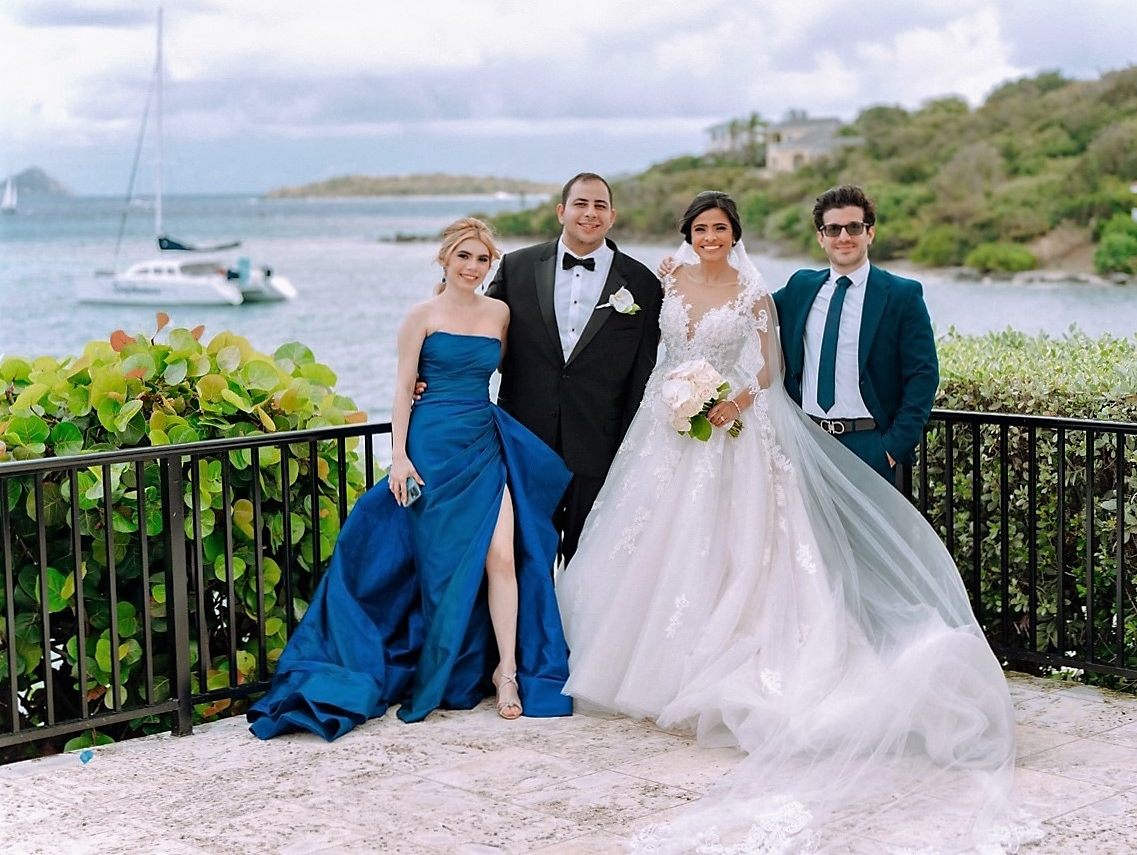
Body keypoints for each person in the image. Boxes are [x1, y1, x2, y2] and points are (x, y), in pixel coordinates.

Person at [559, 193, 1030, 852]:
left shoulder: (868, 292)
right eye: (701, 229)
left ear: (869, 231)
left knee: (827, 565)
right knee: (687, 550)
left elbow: (796, 369)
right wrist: (677, 392)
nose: (712, 237)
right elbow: (658, 336)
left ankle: (883, 665)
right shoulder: (746, 282)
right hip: (676, 439)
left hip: (838, 441)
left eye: (721, 228)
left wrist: (889, 442)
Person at [248, 219, 573, 741]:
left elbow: (507, 374)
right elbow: (402, 389)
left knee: (503, 556)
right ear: (445, 260)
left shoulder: (500, 314)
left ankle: (506, 672)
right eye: (464, 257)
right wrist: (398, 458)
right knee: (442, 567)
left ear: (491, 266)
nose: (473, 267)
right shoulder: (419, 316)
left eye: (482, 260)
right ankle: (439, 662)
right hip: (430, 448)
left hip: (482, 443)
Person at [486, 173, 663, 566]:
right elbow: (479, 336)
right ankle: (532, 629)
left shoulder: (643, 283)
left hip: (599, 447)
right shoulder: (516, 268)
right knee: (522, 556)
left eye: (600, 205)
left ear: (612, 216)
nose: (590, 213)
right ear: (562, 211)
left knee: (589, 562)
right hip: (524, 441)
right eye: (581, 203)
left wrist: (629, 448)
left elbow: (643, 375)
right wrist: (433, 375)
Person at [772, 184, 939, 484]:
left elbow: (924, 375)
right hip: (809, 444)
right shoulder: (800, 287)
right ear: (821, 237)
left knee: (875, 534)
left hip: (871, 448)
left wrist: (891, 448)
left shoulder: (902, 295)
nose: (844, 237)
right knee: (813, 532)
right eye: (833, 229)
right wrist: (684, 274)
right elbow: (746, 309)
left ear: (869, 233)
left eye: (853, 227)